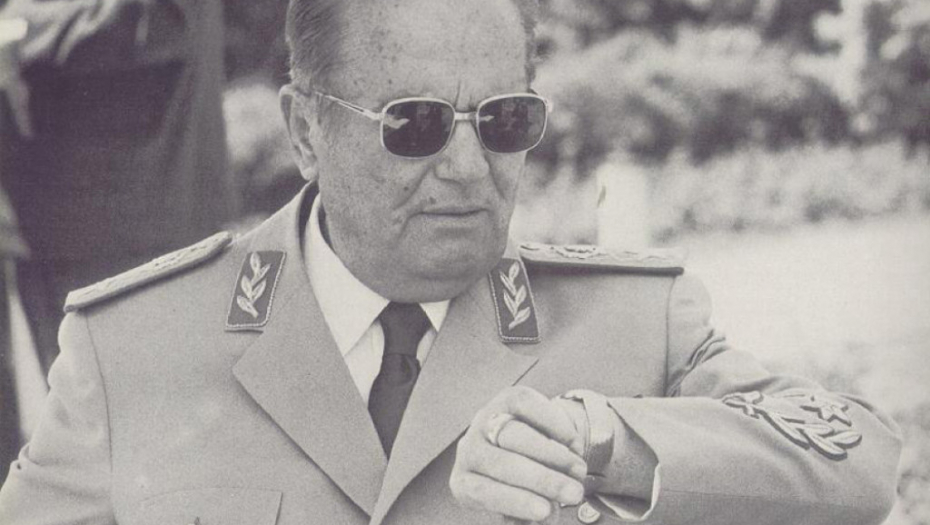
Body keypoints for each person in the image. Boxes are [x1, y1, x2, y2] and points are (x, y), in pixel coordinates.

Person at [0, 0, 902, 523]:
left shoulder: (633, 323)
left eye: (505, 120)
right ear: (306, 132)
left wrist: (605, 441)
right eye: (416, 124)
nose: (469, 168)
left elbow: (859, 460)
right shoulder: (135, 350)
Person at [0, 0, 240, 376]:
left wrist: (23, 30)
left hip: (132, 227)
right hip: (66, 222)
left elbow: (163, 17)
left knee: (148, 397)